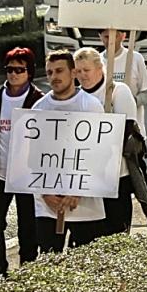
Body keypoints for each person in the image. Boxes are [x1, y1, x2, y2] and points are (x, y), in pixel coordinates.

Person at [74, 48, 147, 235]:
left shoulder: (117, 91)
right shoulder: (76, 97)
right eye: (78, 71)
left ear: (99, 68)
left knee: (117, 229)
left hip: (116, 174)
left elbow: (125, 131)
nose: (82, 75)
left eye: (86, 70)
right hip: (89, 177)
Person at [0, 47, 43, 280]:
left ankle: (28, 272)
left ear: (30, 72)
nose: (13, 74)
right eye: (9, 69)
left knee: (28, 228)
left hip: (28, 179)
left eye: (19, 70)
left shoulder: (39, 101)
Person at [32, 51, 105, 253]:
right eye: (49, 72)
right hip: (48, 206)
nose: (54, 76)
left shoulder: (91, 106)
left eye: (59, 71)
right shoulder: (39, 109)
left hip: (86, 207)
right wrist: (45, 192)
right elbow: (32, 157)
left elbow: (100, 153)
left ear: (73, 72)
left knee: (86, 266)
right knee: (49, 263)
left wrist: (78, 190)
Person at [99, 29, 147, 131]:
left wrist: (129, 102)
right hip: (106, 129)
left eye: (116, 36)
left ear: (123, 36)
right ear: (100, 37)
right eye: (107, 37)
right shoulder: (98, 61)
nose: (111, 41)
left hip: (131, 129)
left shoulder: (136, 58)